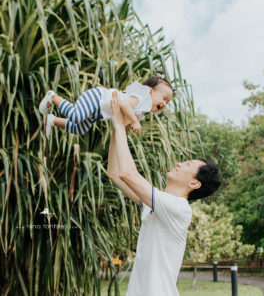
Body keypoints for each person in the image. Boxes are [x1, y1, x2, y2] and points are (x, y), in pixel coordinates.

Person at [107, 92, 221, 296]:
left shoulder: (178, 209)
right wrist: (119, 128)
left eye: (186, 165)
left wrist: (118, 124)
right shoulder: (155, 206)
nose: (179, 163)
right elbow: (115, 173)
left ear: (195, 182)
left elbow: (127, 173)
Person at [38, 76, 173, 138]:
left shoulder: (141, 112)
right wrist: (134, 121)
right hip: (97, 98)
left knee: (79, 130)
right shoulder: (141, 97)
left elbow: (121, 123)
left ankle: (52, 120)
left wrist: (130, 125)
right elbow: (124, 105)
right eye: (164, 98)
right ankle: (53, 97)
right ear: (150, 90)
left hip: (99, 113)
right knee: (76, 116)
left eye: (167, 102)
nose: (165, 104)